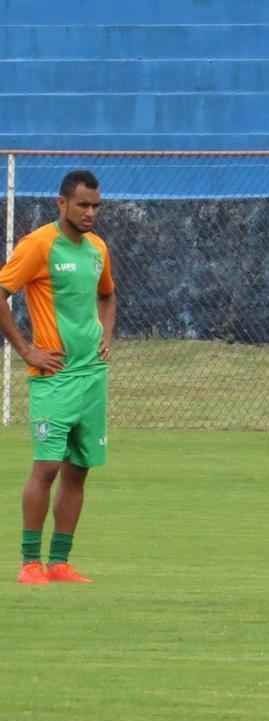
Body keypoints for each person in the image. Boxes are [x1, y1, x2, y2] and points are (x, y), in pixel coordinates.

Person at [0, 170, 116, 585]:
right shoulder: (38, 245)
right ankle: (30, 563)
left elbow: (107, 294)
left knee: (78, 470)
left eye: (96, 206)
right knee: (46, 467)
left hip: (91, 377)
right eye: (83, 205)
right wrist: (27, 349)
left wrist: (106, 333)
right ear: (61, 203)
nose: (90, 213)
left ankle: (60, 562)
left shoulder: (97, 248)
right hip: (54, 377)